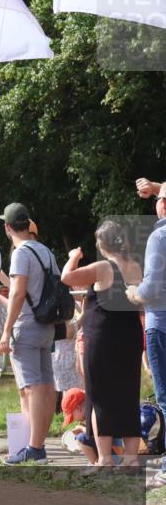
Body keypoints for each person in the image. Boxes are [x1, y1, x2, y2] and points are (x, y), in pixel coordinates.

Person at [61, 221, 144, 470]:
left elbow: (67, 277)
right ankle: (131, 459)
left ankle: (105, 459)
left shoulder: (103, 267)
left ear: (102, 244)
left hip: (103, 338)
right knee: (129, 395)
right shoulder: (135, 266)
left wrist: (73, 257)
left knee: (99, 397)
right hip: (130, 337)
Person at [0, 203, 59, 465]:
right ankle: (39, 444)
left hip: (27, 326)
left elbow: (17, 292)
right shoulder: (45, 251)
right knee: (46, 386)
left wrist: (7, 329)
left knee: (32, 388)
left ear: (7, 227)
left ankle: (34, 448)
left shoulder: (21, 253)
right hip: (47, 325)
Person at [127, 181, 166, 487]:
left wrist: (133, 293)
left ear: (162, 204)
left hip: (161, 323)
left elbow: (150, 288)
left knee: (164, 397)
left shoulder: (159, 236)